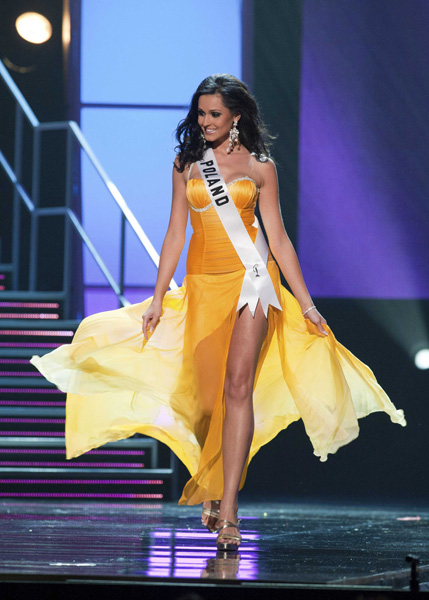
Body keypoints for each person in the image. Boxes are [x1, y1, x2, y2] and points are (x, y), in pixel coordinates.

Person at [31, 73, 406, 553]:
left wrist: (307, 304)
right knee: (206, 401)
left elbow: (281, 239)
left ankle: (229, 506)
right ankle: (211, 479)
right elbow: (173, 233)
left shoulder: (261, 166)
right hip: (203, 288)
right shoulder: (187, 163)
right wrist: (157, 295)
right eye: (201, 113)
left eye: (214, 114)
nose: (205, 122)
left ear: (237, 116)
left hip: (253, 284)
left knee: (237, 387)